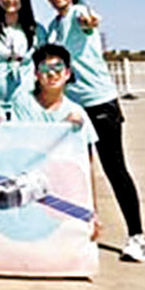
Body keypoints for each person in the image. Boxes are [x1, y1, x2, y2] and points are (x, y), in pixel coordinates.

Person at [41, 0, 145, 262]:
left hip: (100, 103)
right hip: (72, 108)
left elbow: (89, 22)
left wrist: (92, 22)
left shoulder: (79, 13)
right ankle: (81, 230)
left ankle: (137, 237)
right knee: (76, 171)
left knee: (115, 169)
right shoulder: (53, 27)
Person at [11, 44, 101, 242]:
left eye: (58, 68)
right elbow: (21, 147)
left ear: (67, 73)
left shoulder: (77, 112)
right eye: (44, 69)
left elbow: (87, 165)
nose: (51, 74)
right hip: (31, 188)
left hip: (64, 188)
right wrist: (61, 129)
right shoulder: (23, 103)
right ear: (36, 74)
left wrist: (93, 210)